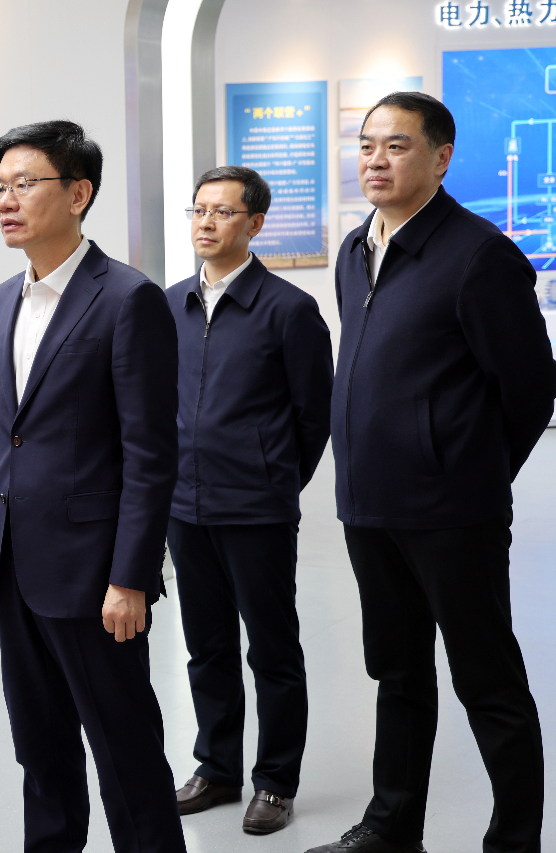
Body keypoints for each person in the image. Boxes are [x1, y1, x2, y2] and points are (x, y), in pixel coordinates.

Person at [305, 92, 556, 853]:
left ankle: (513, 840)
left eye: (398, 145)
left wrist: (470, 468)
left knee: (486, 679)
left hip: (452, 513)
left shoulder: (479, 255)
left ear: (441, 158)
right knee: (397, 671)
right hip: (370, 506)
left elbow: (531, 387)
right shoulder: (356, 250)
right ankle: (392, 828)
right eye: (367, 145)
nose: (376, 160)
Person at [0, 120, 186, 853]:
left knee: (126, 753)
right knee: (41, 750)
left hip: (95, 577)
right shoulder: (0, 301)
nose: (7, 200)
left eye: (24, 184)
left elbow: (150, 454)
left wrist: (131, 576)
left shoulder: (127, 298)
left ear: (78, 193)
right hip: (16, 570)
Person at [165, 166, 332, 834]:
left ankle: (276, 782)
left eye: (223, 212)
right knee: (205, 646)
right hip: (184, 506)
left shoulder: (288, 309)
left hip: (257, 508)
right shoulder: (170, 305)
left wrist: (274, 478)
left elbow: (312, 416)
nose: (206, 222)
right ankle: (217, 768)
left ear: (255, 223)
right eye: (199, 210)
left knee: (272, 649)